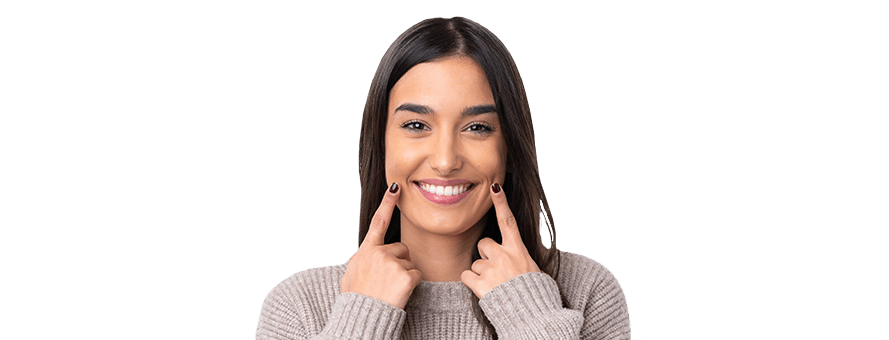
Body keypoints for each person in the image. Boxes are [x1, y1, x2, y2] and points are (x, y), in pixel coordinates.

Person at [256, 16, 631, 340]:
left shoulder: (585, 290)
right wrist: (362, 317)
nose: (446, 160)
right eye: (416, 125)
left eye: (478, 127)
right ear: (381, 143)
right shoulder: (300, 305)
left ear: (510, 148)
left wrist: (529, 315)